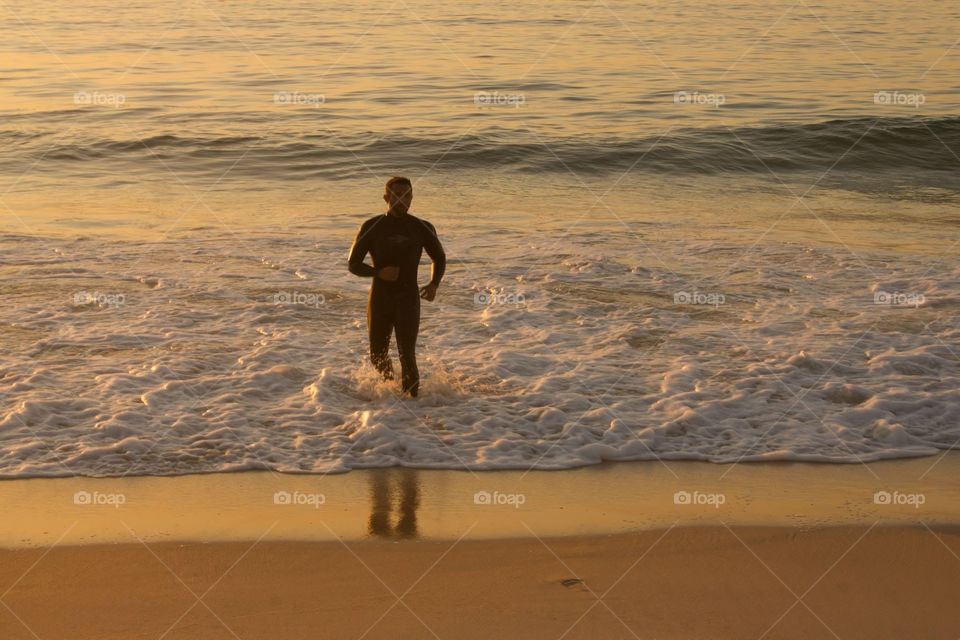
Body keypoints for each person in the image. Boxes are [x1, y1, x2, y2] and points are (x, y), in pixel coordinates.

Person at [348, 177, 446, 397]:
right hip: (380, 298)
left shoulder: (422, 227)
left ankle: (412, 403)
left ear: (412, 197)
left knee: (407, 354)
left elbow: (439, 258)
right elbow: (352, 264)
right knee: (377, 356)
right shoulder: (372, 226)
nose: (402, 199)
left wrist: (433, 284)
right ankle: (390, 393)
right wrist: (377, 272)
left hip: (408, 299)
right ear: (386, 197)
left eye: (406, 195)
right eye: (397, 194)